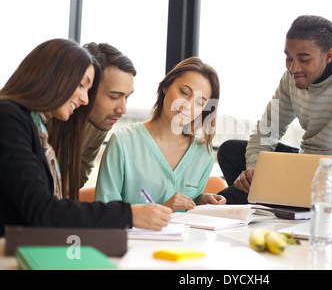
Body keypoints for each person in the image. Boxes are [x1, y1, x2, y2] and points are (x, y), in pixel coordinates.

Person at [0, 38, 171, 236]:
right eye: (81, 86)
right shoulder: (10, 118)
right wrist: (128, 214)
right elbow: (42, 210)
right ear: (52, 78)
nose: (84, 99)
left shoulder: (36, 124)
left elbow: (48, 203)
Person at [218, 15, 332, 204]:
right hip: (304, 165)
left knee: (226, 200)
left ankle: (265, 202)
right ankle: (260, 201)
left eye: (304, 60)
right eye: (289, 58)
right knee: (230, 151)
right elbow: (267, 131)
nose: (294, 67)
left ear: (328, 55)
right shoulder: (290, 79)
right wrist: (254, 170)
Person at [95, 57, 226, 211]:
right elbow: (104, 215)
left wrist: (200, 199)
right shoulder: (123, 142)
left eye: (199, 102)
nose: (187, 105)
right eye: (184, 92)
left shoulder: (204, 154)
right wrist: (164, 208)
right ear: (166, 86)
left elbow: (189, 209)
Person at [79, 42, 136, 187]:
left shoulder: (100, 122)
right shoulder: (38, 122)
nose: (122, 110)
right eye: (114, 97)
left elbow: (79, 174)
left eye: (127, 97)